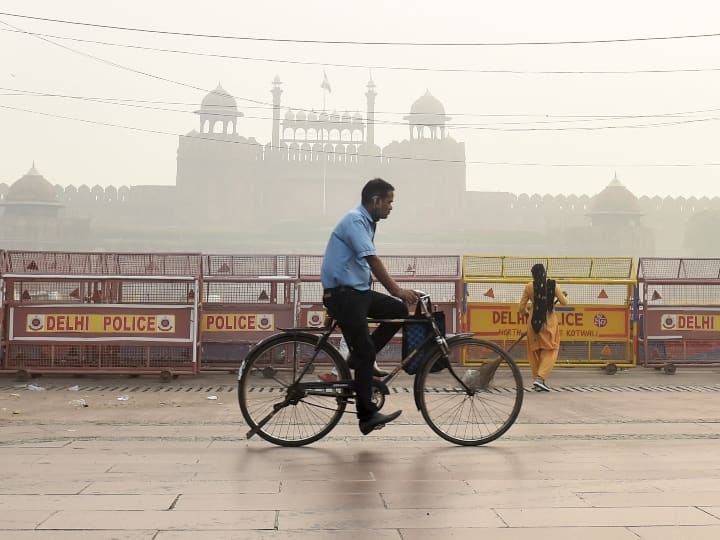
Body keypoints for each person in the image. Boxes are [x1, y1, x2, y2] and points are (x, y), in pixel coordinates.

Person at [320, 178, 418, 435]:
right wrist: (397, 289)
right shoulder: (355, 221)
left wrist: (400, 297)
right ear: (375, 200)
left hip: (358, 293)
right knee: (365, 352)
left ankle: (359, 358)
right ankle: (366, 415)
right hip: (343, 295)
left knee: (398, 310)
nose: (390, 207)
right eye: (388, 201)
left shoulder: (366, 222)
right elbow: (372, 259)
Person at [518, 263, 568, 392]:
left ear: (533, 274)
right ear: (544, 273)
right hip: (549, 323)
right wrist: (559, 295)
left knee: (535, 352)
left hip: (533, 323)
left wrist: (527, 314)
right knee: (551, 349)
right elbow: (564, 302)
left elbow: (521, 308)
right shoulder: (553, 285)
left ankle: (538, 381)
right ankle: (540, 379)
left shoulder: (529, 287)